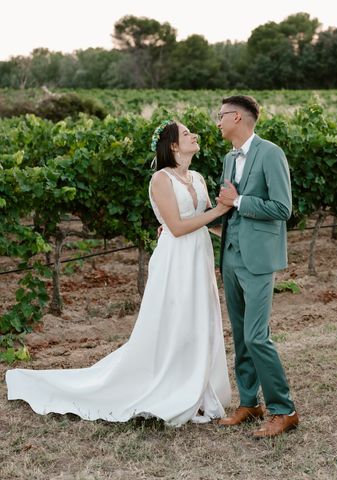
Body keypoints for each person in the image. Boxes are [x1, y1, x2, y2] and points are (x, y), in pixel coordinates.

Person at [6, 120, 232, 426]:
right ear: (174, 146)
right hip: (175, 258)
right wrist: (218, 210)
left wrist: (237, 234)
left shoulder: (198, 177)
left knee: (199, 319)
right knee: (175, 320)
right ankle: (173, 386)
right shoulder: (161, 180)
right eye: (186, 134)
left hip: (199, 256)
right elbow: (177, 228)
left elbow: (210, 223)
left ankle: (199, 387)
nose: (195, 136)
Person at [214, 95, 299, 438]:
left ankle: (284, 409)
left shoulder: (271, 153)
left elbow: (283, 208)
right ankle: (249, 403)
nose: (217, 122)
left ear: (237, 117)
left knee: (256, 336)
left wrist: (240, 200)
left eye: (220, 116)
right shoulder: (228, 157)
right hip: (231, 255)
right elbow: (225, 205)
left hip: (259, 259)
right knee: (240, 334)